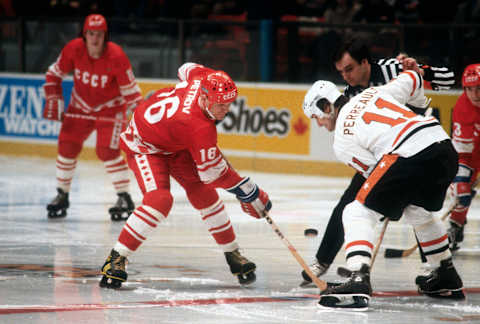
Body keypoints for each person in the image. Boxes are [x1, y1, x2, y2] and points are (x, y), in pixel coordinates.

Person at [99, 62, 272, 289]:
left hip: (175, 142)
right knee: (159, 200)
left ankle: (233, 253)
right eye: (219, 104)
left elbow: (185, 68)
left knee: (203, 193)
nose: (225, 110)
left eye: (229, 103)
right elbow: (214, 173)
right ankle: (116, 258)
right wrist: (249, 191)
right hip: (145, 146)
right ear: (204, 97)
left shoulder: (206, 79)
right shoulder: (199, 127)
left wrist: (244, 189)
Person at [302, 70, 464, 310]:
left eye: (316, 117)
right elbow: (412, 77)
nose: (319, 123)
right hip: (443, 147)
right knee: (418, 211)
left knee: (356, 211)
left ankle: (358, 277)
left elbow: (377, 172)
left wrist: (389, 203)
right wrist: (420, 103)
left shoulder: (342, 141)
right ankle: (444, 272)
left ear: (326, 106)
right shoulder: (374, 92)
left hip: (408, 154)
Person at [43, 14, 143, 221]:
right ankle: (62, 194)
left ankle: (124, 197)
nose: (94, 39)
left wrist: (140, 115)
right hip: (80, 107)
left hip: (111, 109)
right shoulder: (73, 49)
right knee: (66, 145)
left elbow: (131, 91)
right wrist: (53, 96)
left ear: (105, 36)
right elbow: (54, 74)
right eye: (90, 33)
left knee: (107, 151)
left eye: (99, 34)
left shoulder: (117, 56)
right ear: (84, 34)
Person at [447, 63, 480, 251]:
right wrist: (462, 181)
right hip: (473, 155)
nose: (475, 95)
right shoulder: (463, 108)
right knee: (461, 189)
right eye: (470, 89)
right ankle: (455, 225)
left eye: (479, 89)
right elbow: (463, 154)